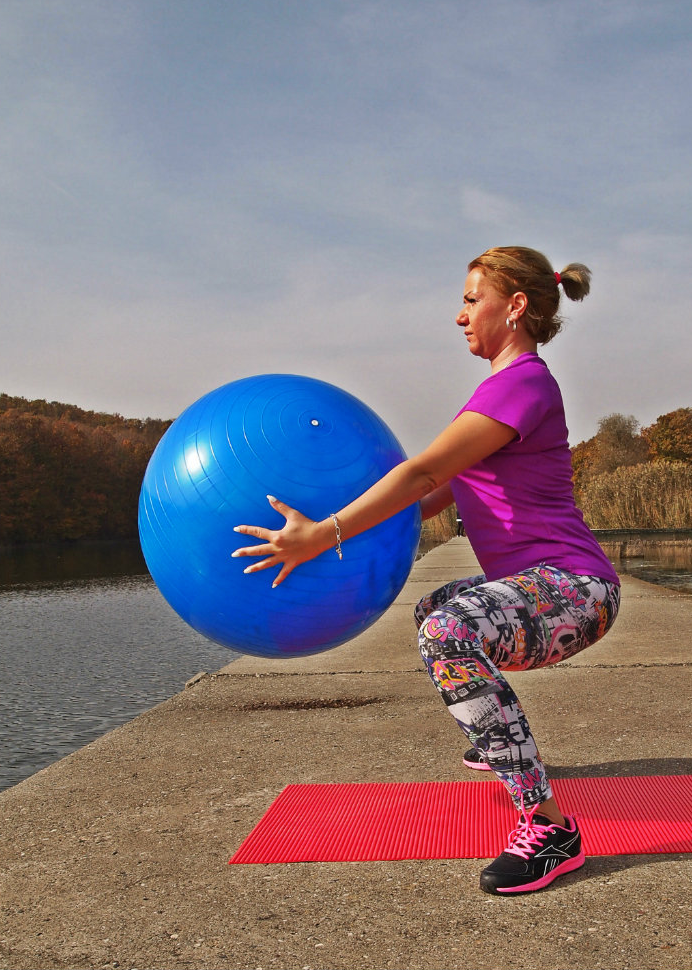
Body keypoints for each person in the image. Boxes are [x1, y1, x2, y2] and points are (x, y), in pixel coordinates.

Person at [232, 246, 621, 895]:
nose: (461, 315)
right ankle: (493, 733)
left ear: (515, 306)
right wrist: (337, 535)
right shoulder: (496, 391)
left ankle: (550, 827)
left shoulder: (522, 383)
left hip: (576, 590)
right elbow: (427, 497)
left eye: (473, 300)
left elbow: (422, 473)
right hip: (545, 590)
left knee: (449, 632)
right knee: (433, 609)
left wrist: (321, 535)